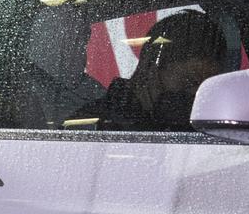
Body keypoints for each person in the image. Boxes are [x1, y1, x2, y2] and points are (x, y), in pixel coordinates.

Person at [73, 10, 229, 132]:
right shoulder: (93, 125)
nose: (197, 95)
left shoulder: (209, 130)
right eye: (190, 81)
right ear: (150, 70)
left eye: (208, 87)